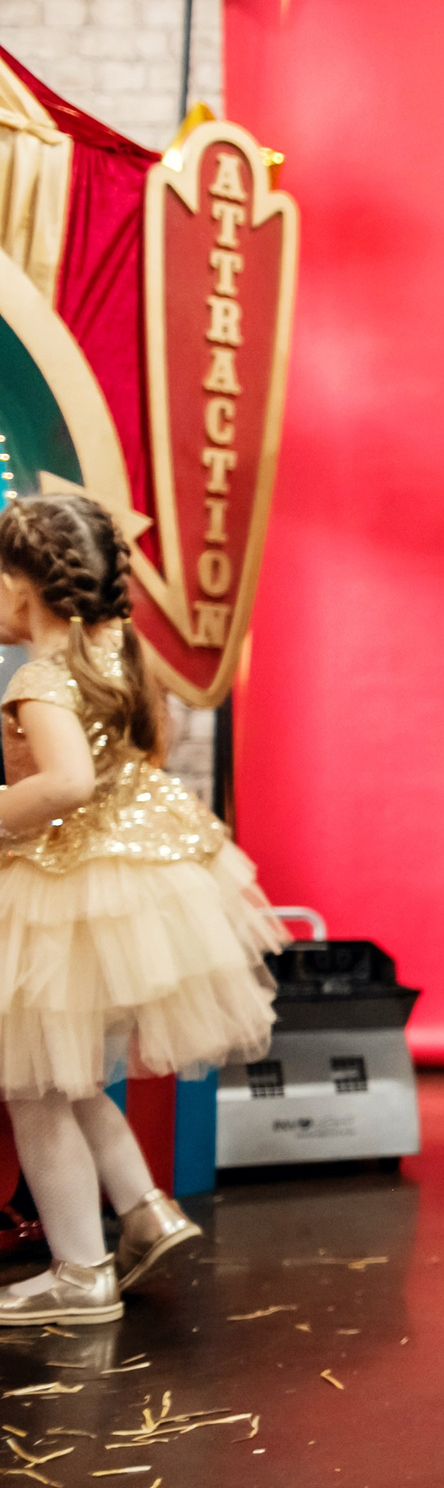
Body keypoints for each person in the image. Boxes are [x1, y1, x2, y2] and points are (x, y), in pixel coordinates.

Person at [0, 494, 282, 1324]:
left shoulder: (42, 679)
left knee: (35, 1087)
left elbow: (67, 785)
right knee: (68, 1070)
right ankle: (146, 1208)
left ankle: (80, 1271)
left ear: (25, 588)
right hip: (121, 882)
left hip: (60, 887)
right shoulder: (115, 649)